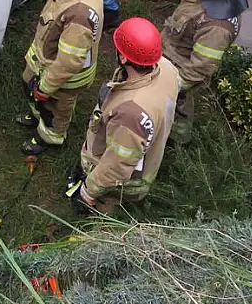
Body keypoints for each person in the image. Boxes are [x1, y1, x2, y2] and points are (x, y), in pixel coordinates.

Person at [67, 17, 179, 215]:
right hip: (144, 147)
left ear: (126, 58)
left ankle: (99, 218)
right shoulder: (166, 68)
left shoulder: (131, 114)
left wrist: (87, 191)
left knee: (102, 201)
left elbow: (116, 167)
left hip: (124, 182)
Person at [12, 0, 103, 156]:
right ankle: (36, 114)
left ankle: (50, 137)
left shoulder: (79, 15)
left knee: (56, 108)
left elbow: (68, 62)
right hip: (46, 58)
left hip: (66, 77)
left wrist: (46, 87)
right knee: (30, 86)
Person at [155, 0, 248, 145]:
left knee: (178, 103)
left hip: (181, 69)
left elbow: (198, 69)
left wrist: (167, 86)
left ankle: (178, 138)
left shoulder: (217, 28)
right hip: (172, 51)